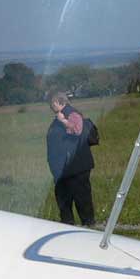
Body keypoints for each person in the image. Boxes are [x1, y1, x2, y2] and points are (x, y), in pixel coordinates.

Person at [45, 91, 96, 227]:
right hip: (67, 167)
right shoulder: (62, 114)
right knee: (64, 196)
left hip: (75, 166)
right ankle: (69, 223)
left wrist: (63, 121)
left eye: (52, 104)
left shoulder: (72, 114)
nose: (50, 107)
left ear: (58, 102)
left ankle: (87, 223)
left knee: (80, 196)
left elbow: (77, 130)